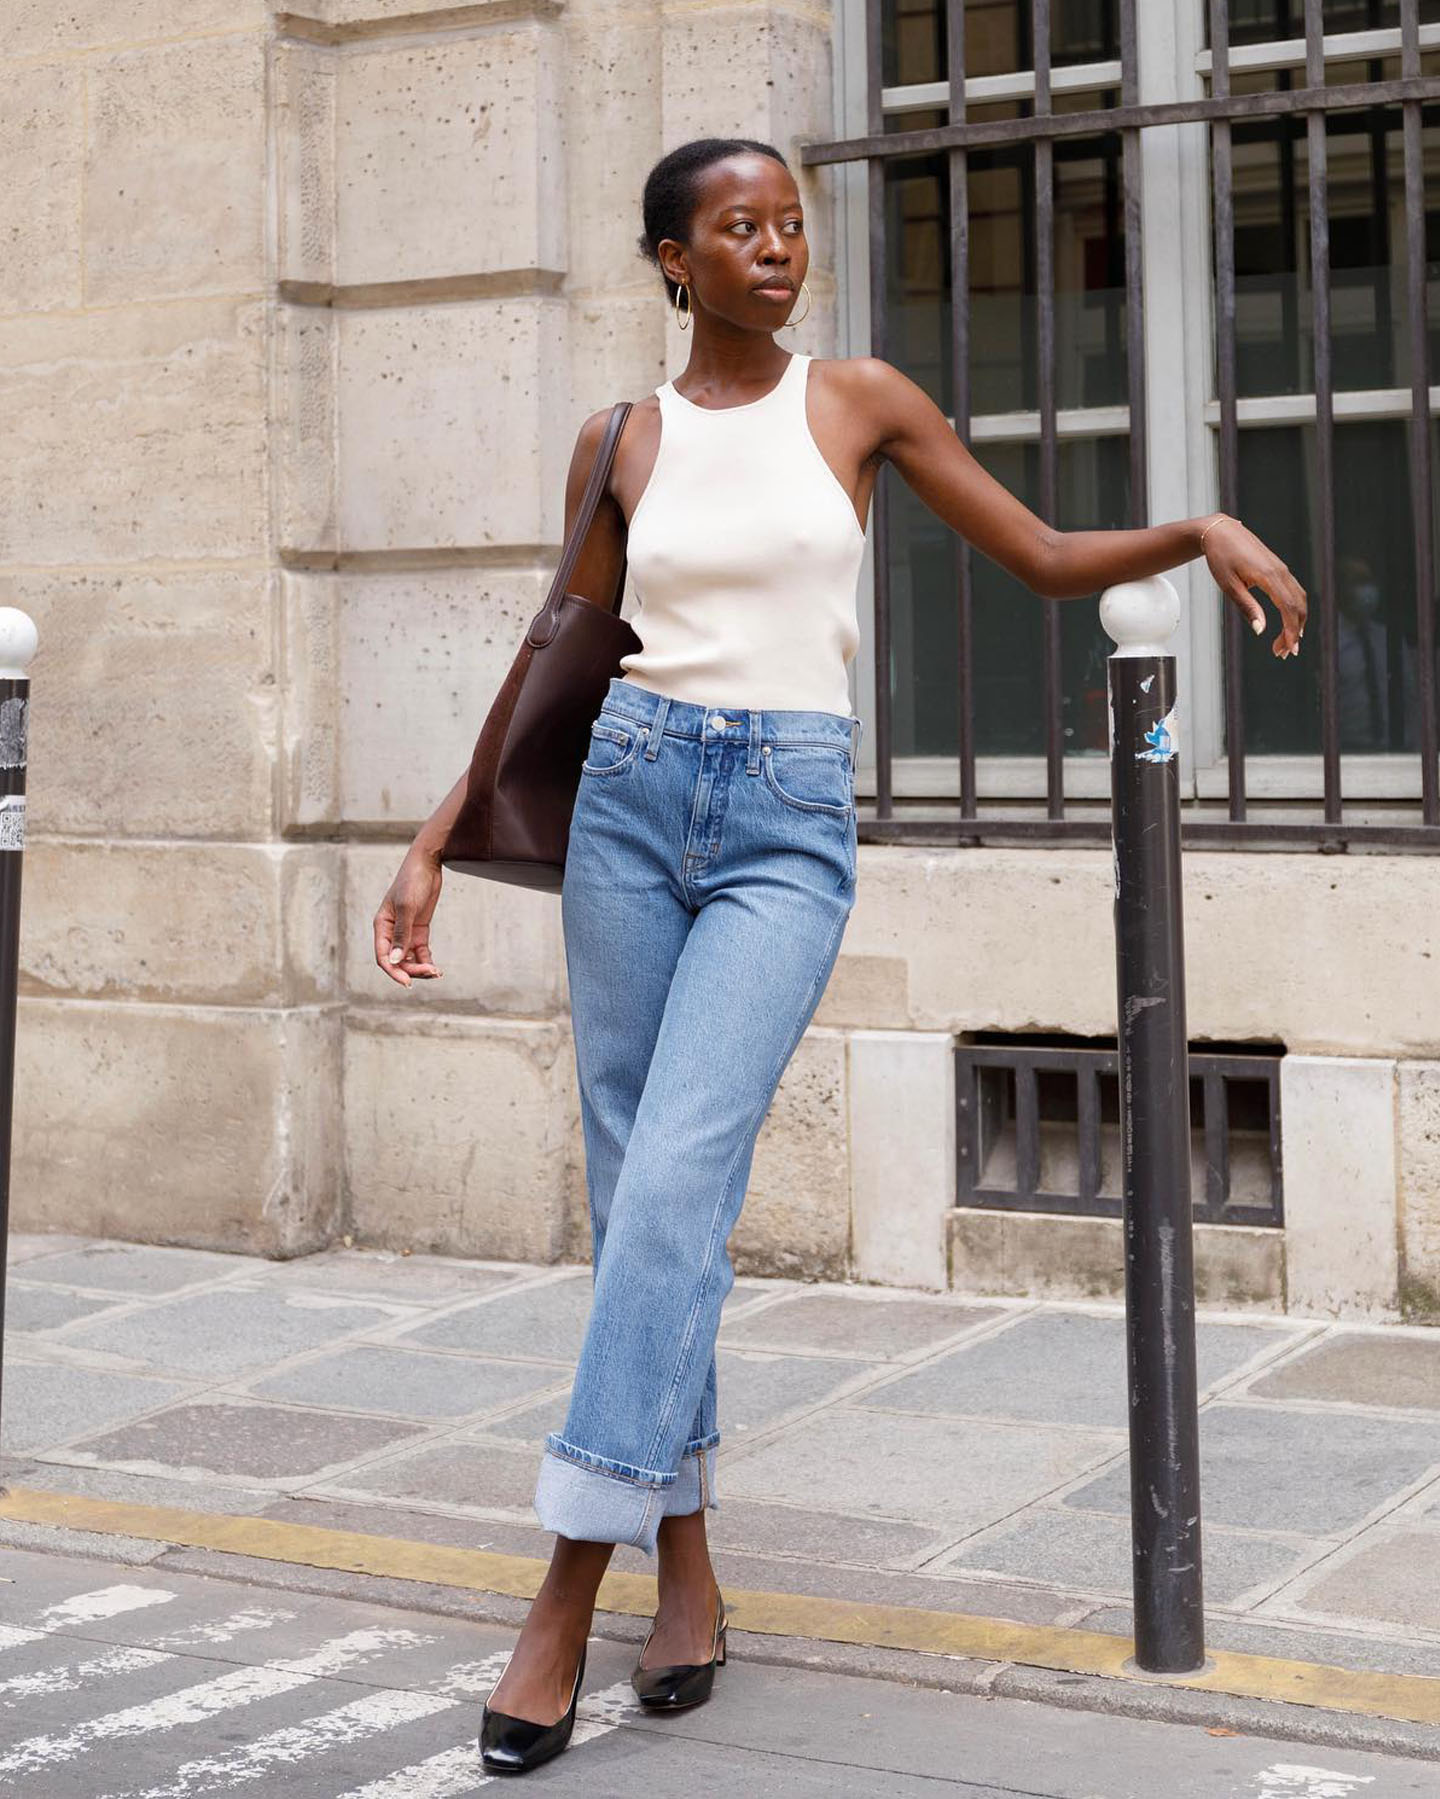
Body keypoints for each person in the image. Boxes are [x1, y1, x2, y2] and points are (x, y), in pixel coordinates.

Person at [372, 135, 1308, 1776]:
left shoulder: (859, 402)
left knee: (673, 1186)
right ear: (674, 258)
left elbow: (1038, 557)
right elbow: (561, 659)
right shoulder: (623, 438)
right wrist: (440, 830)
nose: (777, 248)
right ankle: (690, 1575)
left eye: (792, 223)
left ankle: (561, 1592)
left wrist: (1197, 527)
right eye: (740, 229)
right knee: (641, 1207)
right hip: (627, 806)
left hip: (786, 821)